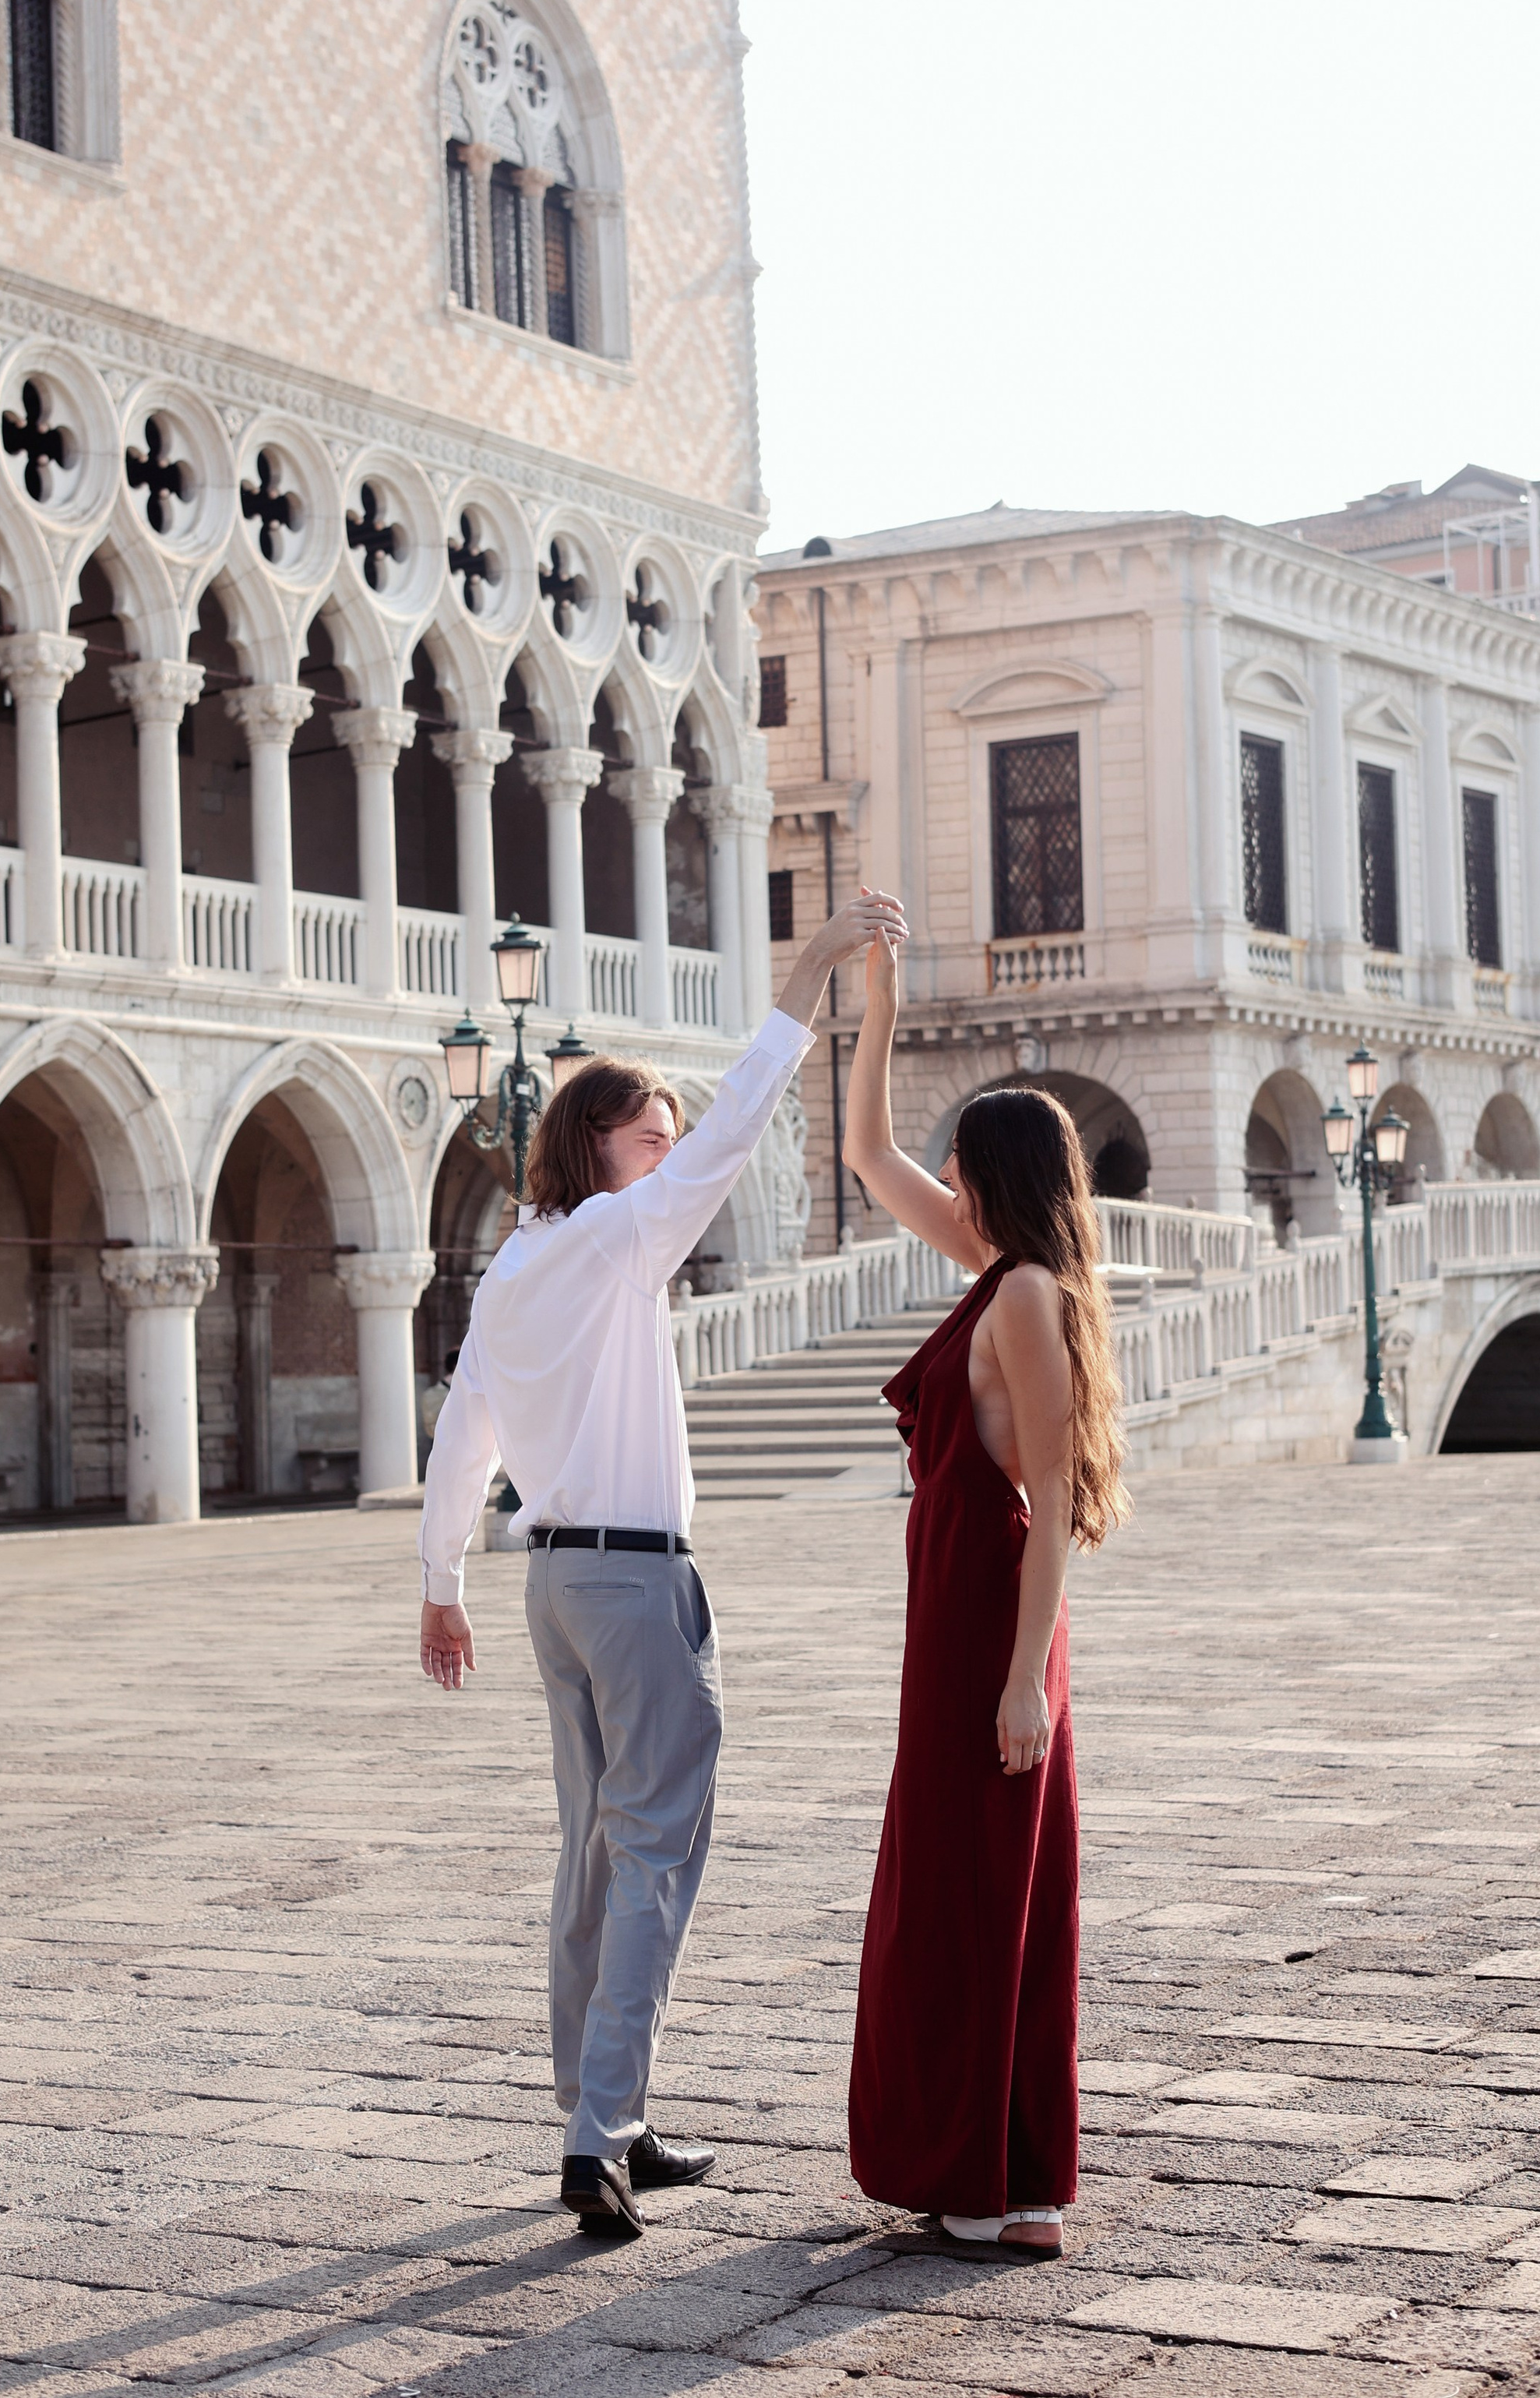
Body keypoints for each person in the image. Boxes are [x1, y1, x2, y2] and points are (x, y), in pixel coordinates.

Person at [418, 887, 910, 2241]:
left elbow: (464, 1428)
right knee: (652, 1853)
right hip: (635, 1584)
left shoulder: (516, 1264)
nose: (672, 1157)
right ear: (596, 1144)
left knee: (591, 1852)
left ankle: (605, 2110)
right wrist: (810, 976)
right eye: (650, 1137)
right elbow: (741, 1124)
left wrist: (441, 1583)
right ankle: (599, 2133)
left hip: (551, 1588)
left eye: (668, 1141)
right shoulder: (617, 1232)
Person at [840, 917, 1128, 2253]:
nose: (942, 1174)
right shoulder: (1005, 1274)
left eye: (960, 1159)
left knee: (972, 1891)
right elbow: (866, 1154)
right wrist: (881, 1006)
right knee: (964, 1881)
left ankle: (996, 2181)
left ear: (998, 1174)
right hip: (961, 1609)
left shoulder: (1022, 1297)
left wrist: (1024, 1681)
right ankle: (1001, 2179)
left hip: (991, 1622)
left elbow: (1055, 1492)